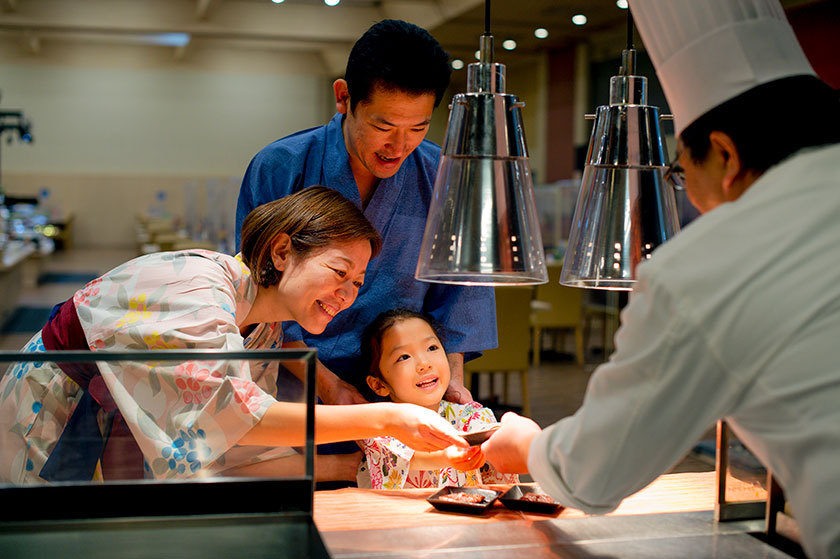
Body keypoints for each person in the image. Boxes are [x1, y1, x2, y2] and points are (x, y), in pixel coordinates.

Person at [481, 2, 840, 558]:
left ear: (725, 153)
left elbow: (594, 475)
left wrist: (527, 445)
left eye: (678, 172)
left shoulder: (712, 265)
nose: (683, 191)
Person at [0, 186, 468, 484]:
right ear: (283, 251)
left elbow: (236, 444)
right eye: (339, 272)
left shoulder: (264, 328)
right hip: (54, 409)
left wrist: (368, 466)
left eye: (357, 284)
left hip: (113, 428)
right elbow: (239, 416)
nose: (347, 294)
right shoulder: (198, 287)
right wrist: (386, 419)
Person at [235, 19, 497, 407]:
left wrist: (449, 383)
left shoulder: (444, 175)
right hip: (293, 384)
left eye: (418, 128)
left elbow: (459, 299)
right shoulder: (281, 167)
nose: (399, 145)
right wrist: (328, 386)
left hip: (403, 391)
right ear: (344, 98)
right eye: (383, 125)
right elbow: (257, 292)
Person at [355, 309, 517, 489]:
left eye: (432, 348)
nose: (424, 364)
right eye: (404, 357)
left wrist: (511, 440)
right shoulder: (380, 425)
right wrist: (448, 456)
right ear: (378, 385)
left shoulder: (469, 415)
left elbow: (492, 444)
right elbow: (411, 458)